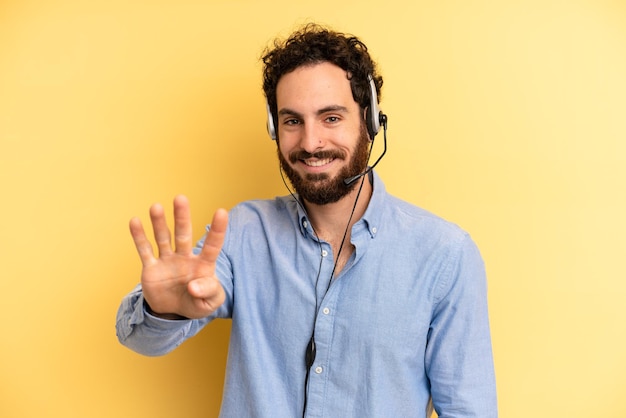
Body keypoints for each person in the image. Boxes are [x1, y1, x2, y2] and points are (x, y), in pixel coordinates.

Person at [116, 23, 497, 417]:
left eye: (331, 118)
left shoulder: (446, 255)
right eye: (292, 121)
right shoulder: (244, 232)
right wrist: (164, 311)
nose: (311, 143)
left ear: (369, 120)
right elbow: (143, 340)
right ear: (273, 128)